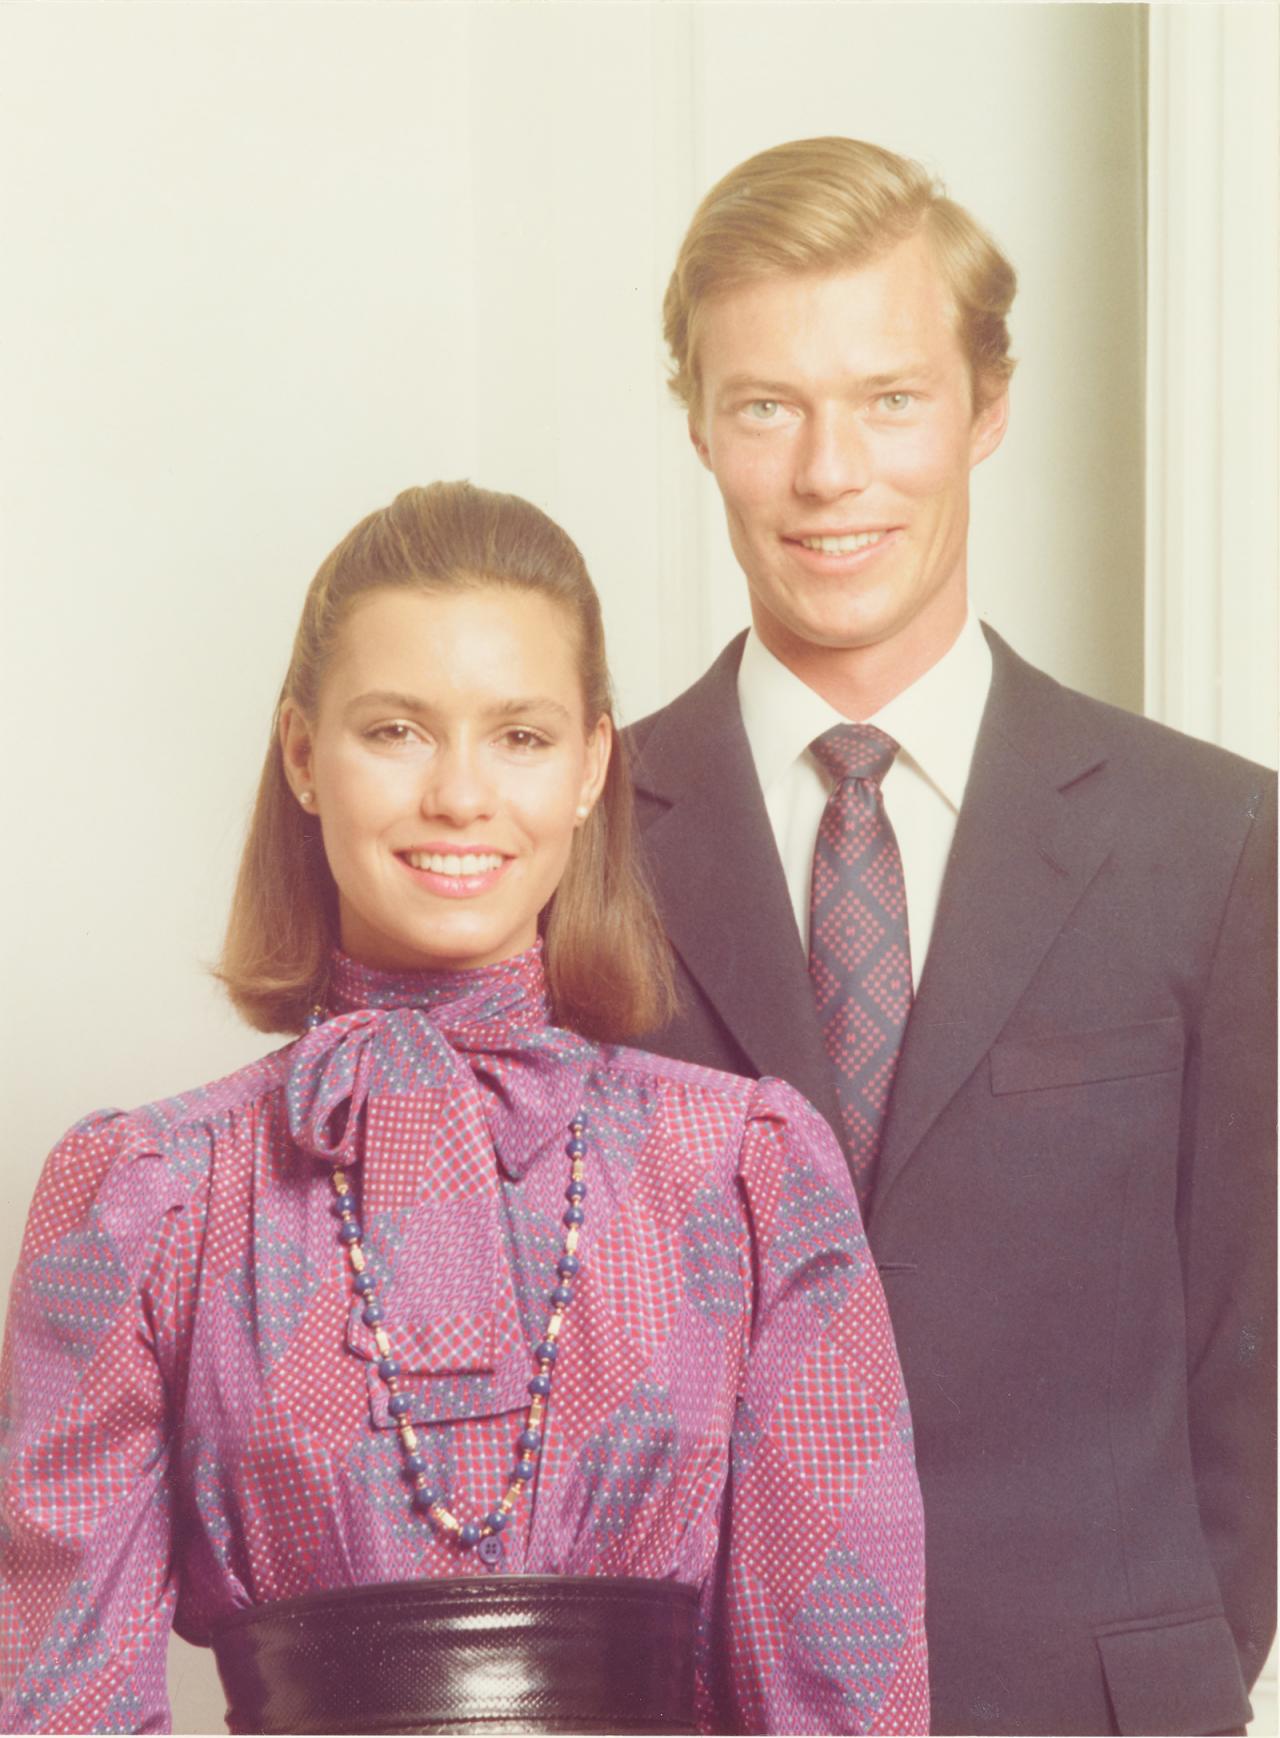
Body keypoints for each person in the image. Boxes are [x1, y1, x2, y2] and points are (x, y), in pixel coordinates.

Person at [0, 481, 927, 1736]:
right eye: (394, 730)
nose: (458, 796)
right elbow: (60, 1698)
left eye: (521, 737)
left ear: (593, 765)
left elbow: (842, 1689)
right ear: (300, 755)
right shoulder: (151, 1192)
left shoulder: (741, 1170)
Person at [627, 137, 1276, 1737]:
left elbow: (1258, 1364)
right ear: (699, 422)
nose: (830, 471)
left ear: (988, 408)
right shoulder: (575, 845)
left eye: (890, 399)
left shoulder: (1219, 840)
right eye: (768, 403)